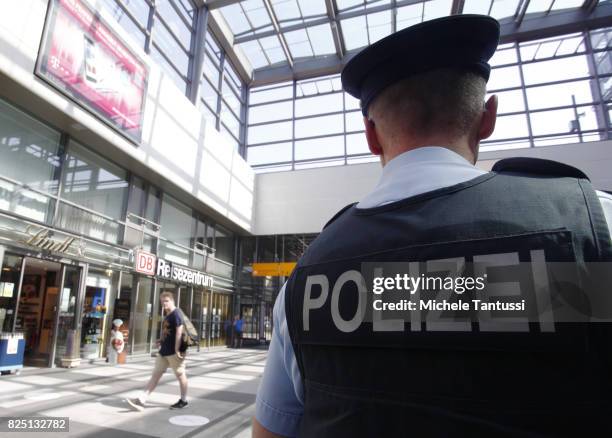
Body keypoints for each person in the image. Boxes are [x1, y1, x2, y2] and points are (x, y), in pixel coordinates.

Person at [253, 14, 612, 438]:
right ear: (488, 116)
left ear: (371, 136)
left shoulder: (306, 276)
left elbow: (270, 432)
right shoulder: (590, 222)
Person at [126, 291, 189, 411]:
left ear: (172, 301)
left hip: (173, 352)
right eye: (162, 302)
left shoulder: (177, 313)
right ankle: (141, 400)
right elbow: (169, 331)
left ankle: (183, 400)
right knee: (155, 375)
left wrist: (177, 350)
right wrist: (161, 339)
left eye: (166, 301)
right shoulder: (169, 314)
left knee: (181, 375)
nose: (164, 304)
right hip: (164, 351)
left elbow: (179, 332)